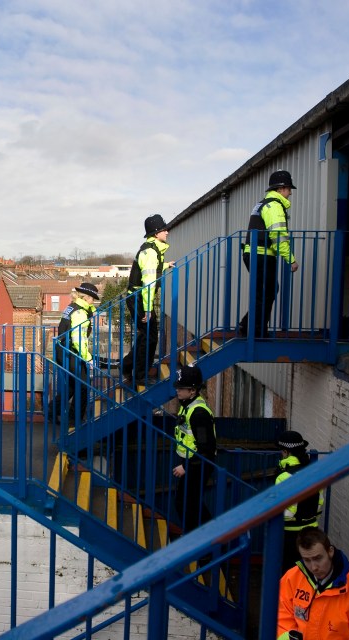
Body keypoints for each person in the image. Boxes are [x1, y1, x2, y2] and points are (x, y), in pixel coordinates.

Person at [239, 170, 299, 339]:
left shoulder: (263, 203)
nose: (290, 193)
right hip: (261, 255)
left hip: (255, 254)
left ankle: (249, 325)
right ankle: (256, 330)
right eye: (288, 189)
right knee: (268, 291)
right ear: (281, 189)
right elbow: (278, 236)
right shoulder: (274, 206)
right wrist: (291, 260)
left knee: (265, 291)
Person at [277, 528, 349, 640]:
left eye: (318, 558)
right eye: (307, 560)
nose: (314, 567)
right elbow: (281, 618)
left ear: (330, 551)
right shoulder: (291, 578)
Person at [123, 214, 173, 384]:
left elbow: (151, 268)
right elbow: (149, 284)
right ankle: (139, 375)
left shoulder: (152, 250)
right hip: (140, 298)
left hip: (137, 297)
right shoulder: (151, 252)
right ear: (156, 232)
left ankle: (128, 366)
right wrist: (146, 309)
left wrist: (166, 265)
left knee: (147, 335)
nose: (167, 232)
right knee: (150, 337)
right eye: (164, 229)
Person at [171, 365, 217, 535]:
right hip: (192, 462)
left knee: (187, 504)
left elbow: (207, 449)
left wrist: (186, 467)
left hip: (198, 464)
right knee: (187, 503)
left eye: (180, 388)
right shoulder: (187, 404)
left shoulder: (198, 413)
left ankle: (200, 537)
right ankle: (199, 535)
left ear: (192, 390)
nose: (177, 390)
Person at [49, 282, 99, 427]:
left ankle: (52, 410)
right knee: (83, 385)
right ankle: (74, 419)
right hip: (71, 351)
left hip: (63, 350)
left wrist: (91, 311)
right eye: (93, 299)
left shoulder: (73, 307)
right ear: (87, 298)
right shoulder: (79, 313)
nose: (93, 302)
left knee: (72, 385)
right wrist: (88, 358)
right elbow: (78, 338)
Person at [275, 430, 324, 571]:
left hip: (290, 535)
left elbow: (287, 513)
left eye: (281, 451)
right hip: (311, 531)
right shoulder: (314, 472)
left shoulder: (284, 476)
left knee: (288, 574)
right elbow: (319, 503)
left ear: (286, 452)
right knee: (308, 573)